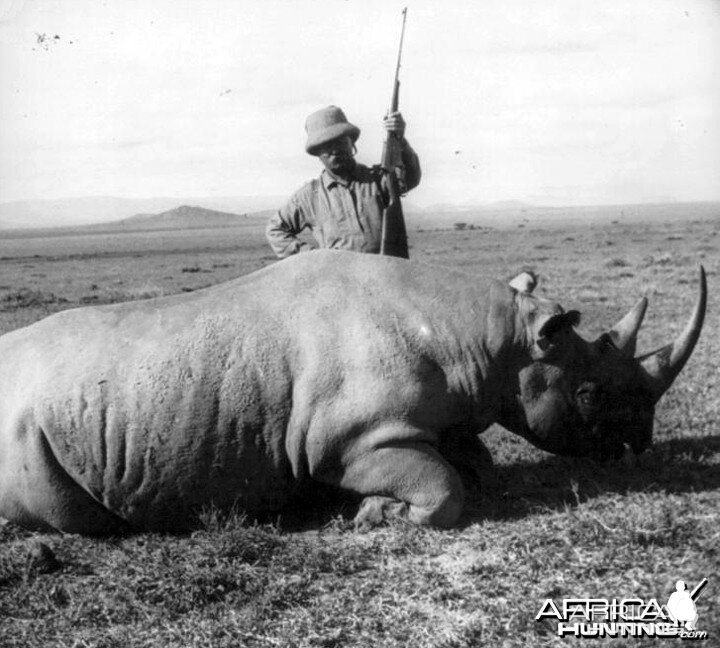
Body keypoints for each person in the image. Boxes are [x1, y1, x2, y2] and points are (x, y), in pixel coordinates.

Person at [266, 105, 421, 258]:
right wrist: (312, 257)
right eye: (326, 146)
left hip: (384, 275)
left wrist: (400, 140)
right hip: (339, 280)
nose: (334, 151)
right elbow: (275, 229)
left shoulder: (378, 179)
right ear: (317, 154)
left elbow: (411, 178)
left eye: (339, 142)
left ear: (351, 143)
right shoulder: (309, 196)